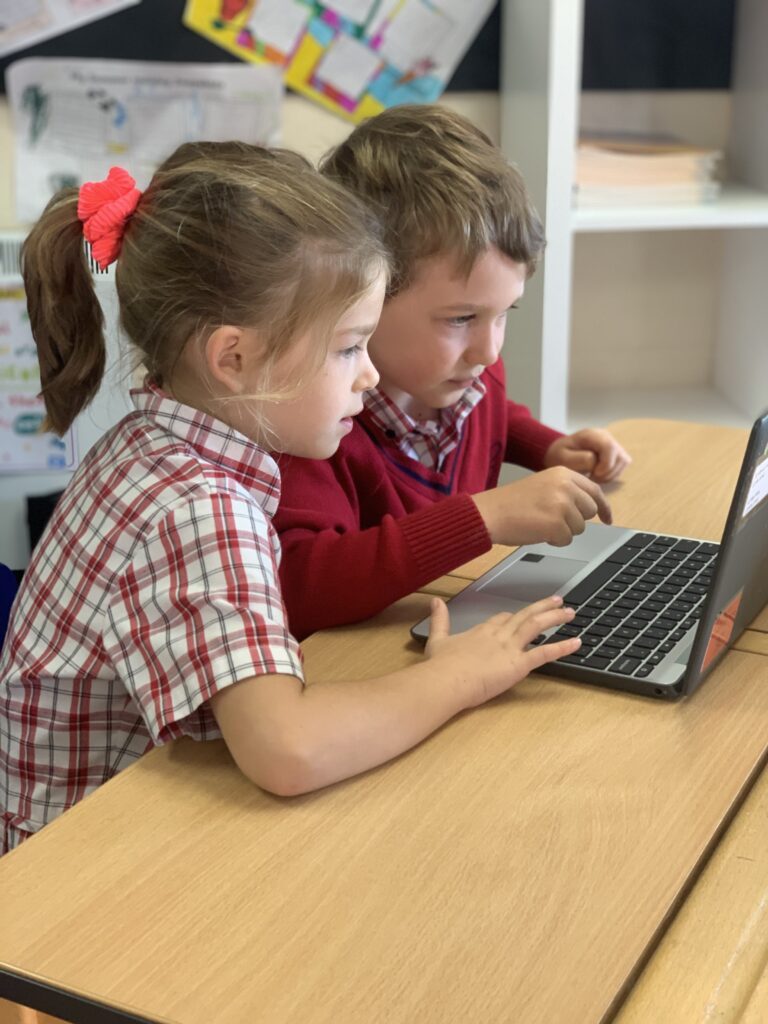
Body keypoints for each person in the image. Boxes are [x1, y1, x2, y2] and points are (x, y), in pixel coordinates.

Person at [0, 143, 581, 855]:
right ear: (234, 359)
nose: (369, 377)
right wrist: (461, 676)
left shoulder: (154, 443)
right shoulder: (199, 506)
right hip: (69, 884)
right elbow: (289, 750)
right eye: (348, 348)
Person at [274, 105, 631, 640]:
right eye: (461, 318)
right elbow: (298, 588)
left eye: (504, 314)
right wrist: (481, 518)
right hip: (362, 673)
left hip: (455, 635)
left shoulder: (464, 374)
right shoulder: (313, 427)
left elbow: (491, 416)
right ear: (362, 298)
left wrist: (544, 447)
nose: (488, 351)